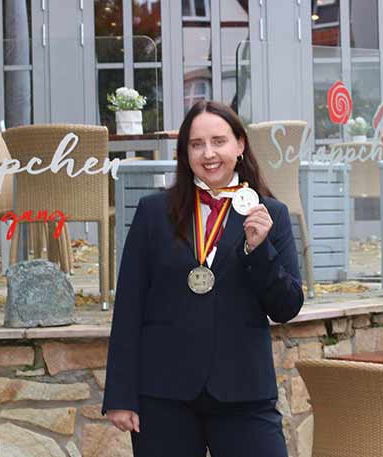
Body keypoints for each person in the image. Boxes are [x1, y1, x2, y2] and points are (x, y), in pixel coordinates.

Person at [102, 100, 305, 456]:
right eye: (197, 144)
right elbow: (129, 306)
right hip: (164, 394)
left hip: (244, 392)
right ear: (185, 153)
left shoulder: (270, 214)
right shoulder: (154, 212)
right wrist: (121, 395)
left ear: (240, 145)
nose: (208, 153)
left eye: (219, 141)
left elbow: (286, 307)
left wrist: (260, 252)